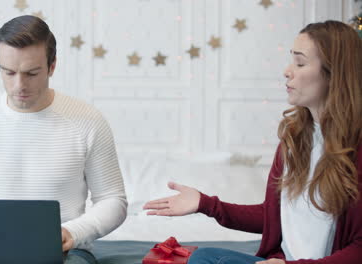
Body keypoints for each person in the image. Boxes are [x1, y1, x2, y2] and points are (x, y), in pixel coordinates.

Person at [143, 20, 362, 264]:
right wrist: (206, 204)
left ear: (335, 74)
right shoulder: (295, 140)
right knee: (204, 257)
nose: (287, 71)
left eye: (300, 62)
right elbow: (272, 218)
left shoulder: (357, 150)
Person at [0, 15, 127, 264]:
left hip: (67, 252)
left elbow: (113, 200)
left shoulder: (88, 121)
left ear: (52, 66)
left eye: (32, 73)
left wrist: (73, 232)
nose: (19, 85)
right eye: (9, 72)